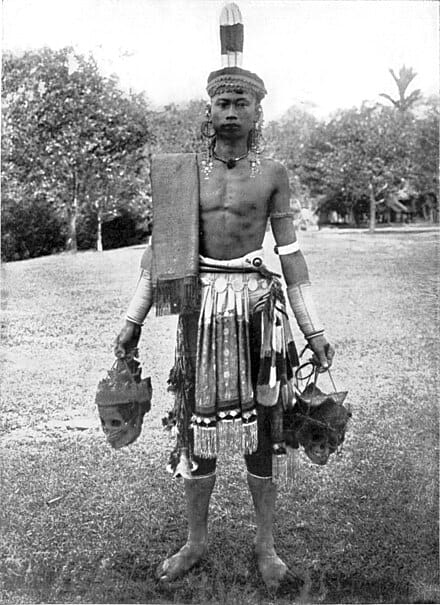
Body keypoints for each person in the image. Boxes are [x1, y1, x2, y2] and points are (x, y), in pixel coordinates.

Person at [114, 3, 334, 590]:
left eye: (241, 103)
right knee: (198, 426)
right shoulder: (184, 173)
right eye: (222, 103)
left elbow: (289, 257)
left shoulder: (274, 174)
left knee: (265, 429)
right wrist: (132, 321)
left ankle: (267, 549)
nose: (230, 112)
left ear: (259, 110)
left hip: (260, 318)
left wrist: (312, 331)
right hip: (202, 312)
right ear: (207, 110)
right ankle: (195, 541)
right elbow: (160, 252)